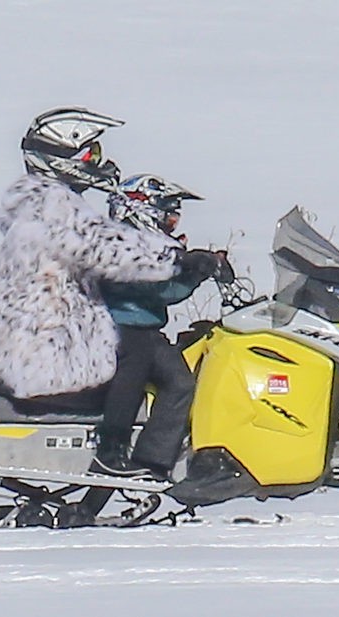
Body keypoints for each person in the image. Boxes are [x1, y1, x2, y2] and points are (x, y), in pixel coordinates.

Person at [0, 108, 184, 399]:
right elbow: (104, 248)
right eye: (90, 154)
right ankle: (119, 446)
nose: (99, 162)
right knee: (155, 369)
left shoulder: (42, 203)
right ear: (61, 157)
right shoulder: (50, 208)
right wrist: (174, 258)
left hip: (46, 334)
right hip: (45, 344)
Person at [90, 174, 233, 480]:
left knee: (180, 382)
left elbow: (166, 292)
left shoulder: (143, 246)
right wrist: (189, 268)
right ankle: (110, 448)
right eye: (169, 214)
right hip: (112, 329)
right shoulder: (117, 244)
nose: (173, 221)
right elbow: (150, 287)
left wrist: (200, 270)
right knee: (137, 359)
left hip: (143, 330)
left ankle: (152, 462)